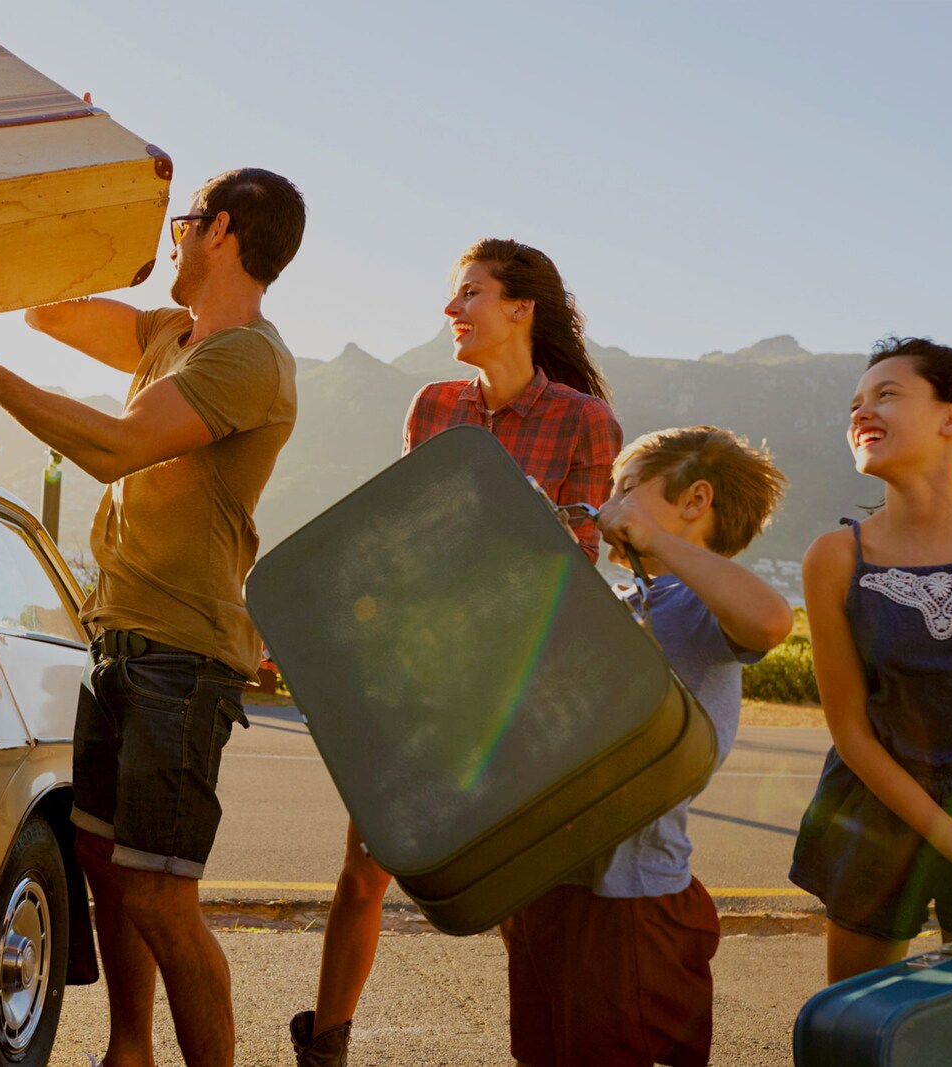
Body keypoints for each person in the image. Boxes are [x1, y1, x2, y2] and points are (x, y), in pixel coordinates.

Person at [0, 167, 307, 1067]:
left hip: (183, 658)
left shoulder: (250, 359)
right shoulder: (168, 334)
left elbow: (112, 448)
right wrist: (67, 185)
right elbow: (48, 309)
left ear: (221, 231)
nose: (176, 239)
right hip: (119, 637)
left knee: (160, 895)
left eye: (186, 221)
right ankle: (130, 1050)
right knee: (106, 865)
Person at [289, 238, 623, 1066]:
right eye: (454, 294)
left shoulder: (585, 421)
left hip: (517, 688)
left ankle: (543, 1045)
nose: (452, 310)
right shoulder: (434, 406)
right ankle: (324, 1047)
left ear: (520, 309)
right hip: (417, 675)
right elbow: (397, 530)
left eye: (469, 293)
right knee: (366, 865)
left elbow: (582, 565)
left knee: (515, 888)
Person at [507, 426, 793, 1067]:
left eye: (627, 490)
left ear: (695, 501)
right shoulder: (621, 599)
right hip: (549, 880)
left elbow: (771, 620)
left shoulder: (692, 604)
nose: (609, 505)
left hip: (632, 901)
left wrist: (656, 540)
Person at [789, 337, 952, 984]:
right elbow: (851, 732)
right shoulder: (833, 558)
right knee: (852, 1028)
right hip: (875, 806)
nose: (862, 412)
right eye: (855, 403)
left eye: (886, 394)